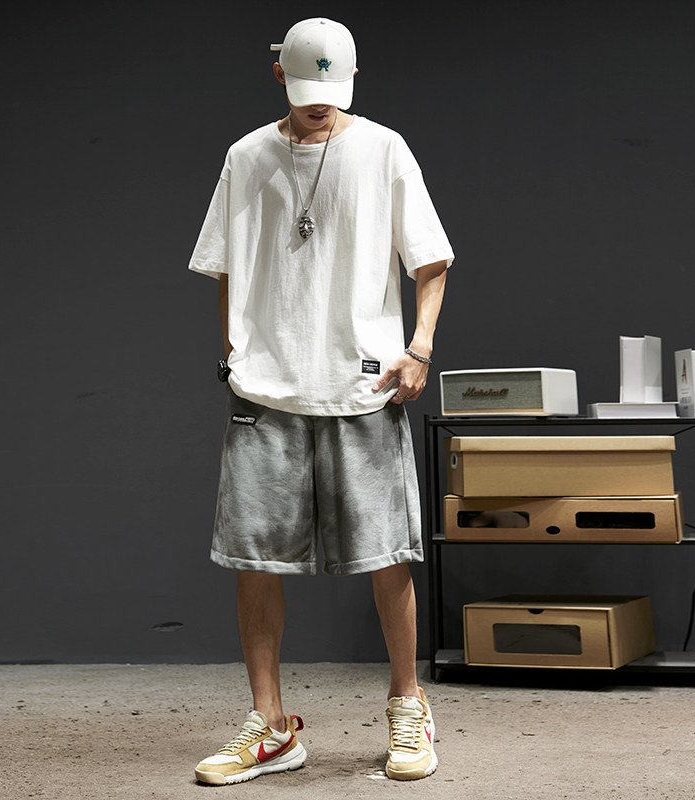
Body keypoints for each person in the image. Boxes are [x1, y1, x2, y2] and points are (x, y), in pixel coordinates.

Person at [188, 17, 454, 785]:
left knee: (387, 554)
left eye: (331, 90)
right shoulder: (247, 156)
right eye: (305, 88)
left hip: (362, 386)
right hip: (266, 391)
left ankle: (408, 703)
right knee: (255, 559)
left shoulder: (383, 149)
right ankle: (270, 726)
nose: (318, 103)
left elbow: (431, 260)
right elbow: (224, 264)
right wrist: (238, 352)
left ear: (354, 78)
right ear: (279, 75)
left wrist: (419, 348)